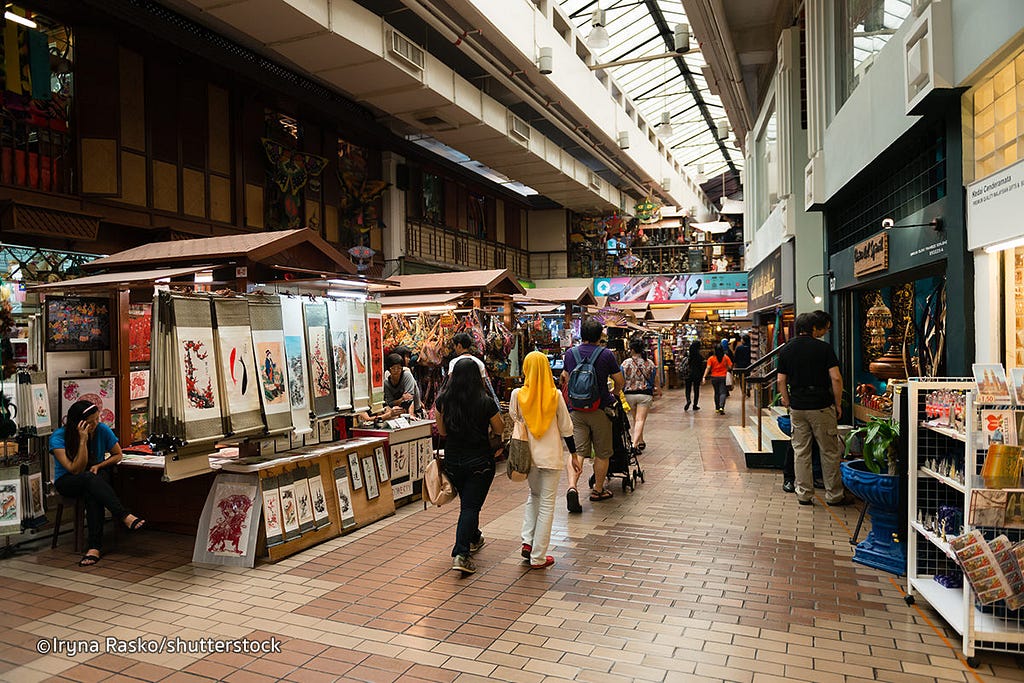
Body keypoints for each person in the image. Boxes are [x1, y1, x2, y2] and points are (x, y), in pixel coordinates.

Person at [50, 400, 145, 567]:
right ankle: (123, 515)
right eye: (90, 422)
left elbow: (117, 454)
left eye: (96, 419)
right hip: (68, 480)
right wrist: (82, 440)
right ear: (78, 423)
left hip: (94, 477)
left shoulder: (102, 429)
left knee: (93, 490)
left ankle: (94, 548)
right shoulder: (58, 437)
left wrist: (99, 465)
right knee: (88, 479)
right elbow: (75, 469)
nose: (95, 424)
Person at [435, 358, 505, 575]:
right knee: (470, 507)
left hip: (453, 461)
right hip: (479, 461)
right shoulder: (485, 401)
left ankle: (473, 536)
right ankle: (461, 553)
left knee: (468, 503)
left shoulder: (443, 401)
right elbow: (500, 427)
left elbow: (442, 432)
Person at [511, 351, 577, 569]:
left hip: (527, 457)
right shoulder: (555, 395)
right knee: (547, 503)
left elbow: (515, 418)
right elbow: (567, 428)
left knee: (534, 496)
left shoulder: (517, 394)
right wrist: (574, 454)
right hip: (550, 456)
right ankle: (538, 556)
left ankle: (527, 542)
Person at [777, 311, 850, 506]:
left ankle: (804, 494)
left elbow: (781, 380)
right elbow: (835, 378)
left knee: (801, 451)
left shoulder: (786, 350)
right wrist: (838, 403)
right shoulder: (823, 348)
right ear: (813, 328)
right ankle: (834, 495)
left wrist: (786, 399)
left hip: (798, 406)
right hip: (820, 406)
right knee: (829, 451)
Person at [560, 318, 624, 510]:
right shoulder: (606, 355)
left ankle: (572, 487)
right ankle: (598, 490)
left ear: (582, 335)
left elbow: (565, 378)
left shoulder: (570, 354)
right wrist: (614, 392)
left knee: (577, 451)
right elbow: (619, 380)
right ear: (599, 336)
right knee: (602, 453)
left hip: (576, 410)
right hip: (600, 409)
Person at [621, 338, 660, 451]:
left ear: (632, 349)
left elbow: (621, 379)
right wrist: (658, 389)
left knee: (636, 419)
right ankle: (634, 444)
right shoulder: (649, 363)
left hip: (629, 395)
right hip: (644, 395)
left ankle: (641, 441)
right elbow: (654, 378)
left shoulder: (625, 363)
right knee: (640, 420)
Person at [703, 344, 732, 414]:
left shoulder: (711, 358)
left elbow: (708, 368)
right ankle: (721, 406)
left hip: (714, 378)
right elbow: (730, 367)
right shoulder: (725, 357)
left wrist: (704, 377)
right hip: (723, 377)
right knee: (723, 392)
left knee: (716, 392)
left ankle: (717, 408)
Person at [684, 340, 703, 411]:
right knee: (696, 390)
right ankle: (695, 405)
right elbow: (701, 367)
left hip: (688, 373)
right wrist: (702, 377)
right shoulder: (699, 356)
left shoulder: (689, 355)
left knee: (688, 389)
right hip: (696, 374)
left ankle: (688, 400)